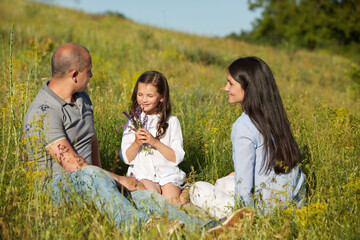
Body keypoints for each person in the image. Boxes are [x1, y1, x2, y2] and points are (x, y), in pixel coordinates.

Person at [23, 43, 248, 234]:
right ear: (74, 75)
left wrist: (108, 181)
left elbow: (92, 144)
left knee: (148, 198)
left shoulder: (82, 99)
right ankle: (145, 226)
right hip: (58, 188)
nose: (91, 76)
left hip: (94, 180)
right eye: (88, 71)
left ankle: (207, 228)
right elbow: (74, 166)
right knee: (97, 176)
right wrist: (119, 179)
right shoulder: (43, 110)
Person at [190, 56, 306, 218]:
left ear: (248, 87)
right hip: (292, 205)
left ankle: (235, 220)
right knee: (221, 183)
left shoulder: (243, 125)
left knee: (197, 188)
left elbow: (243, 186)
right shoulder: (274, 116)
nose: (225, 88)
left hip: (262, 211)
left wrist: (246, 215)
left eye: (230, 83)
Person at [119, 71, 188, 205]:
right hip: (143, 174)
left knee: (173, 202)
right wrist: (136, 143)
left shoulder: (172, 122)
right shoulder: (132, 122)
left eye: (150, 96)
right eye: (140, 95)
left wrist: (154, 142)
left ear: (161, 97)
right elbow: (126, 158)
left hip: (168, 175)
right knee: (153, 199)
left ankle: (185, 192)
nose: (143, 100)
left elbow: (176, 157)